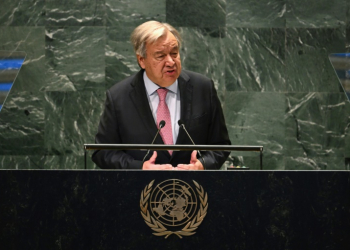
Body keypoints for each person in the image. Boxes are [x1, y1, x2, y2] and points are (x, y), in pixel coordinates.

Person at [92, 21, 231, 170]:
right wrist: (140, 168)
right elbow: (103, 152)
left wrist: (202, 165)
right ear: (142, 60)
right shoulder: (118, 97)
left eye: (174, 53)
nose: (171, 62)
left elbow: (220, 145)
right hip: (140, 190)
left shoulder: (203, 88)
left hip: (194, 189)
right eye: (160, 56)